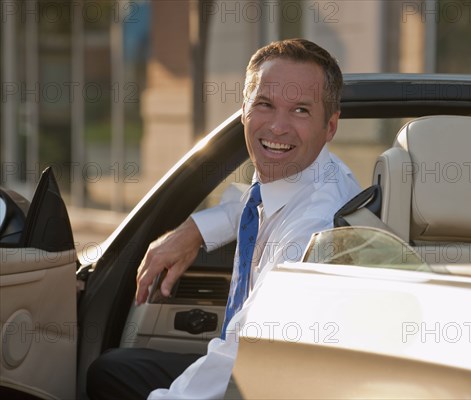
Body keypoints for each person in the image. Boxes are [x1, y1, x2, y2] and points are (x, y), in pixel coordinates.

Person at [87, 38, 361, 400]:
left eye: (300, 111)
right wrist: (196, 229)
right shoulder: (312, 175)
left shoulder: (311, 232)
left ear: (330, 126)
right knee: (110, 370)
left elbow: (243, 357)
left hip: (261, 382)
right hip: (265, 370)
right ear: (244, 110)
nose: (278, 127)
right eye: (265, 104)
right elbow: (253, 201)